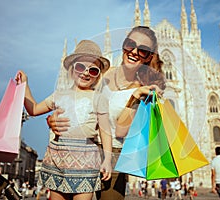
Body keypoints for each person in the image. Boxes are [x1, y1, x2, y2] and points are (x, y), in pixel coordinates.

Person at [47, 26, 166, 200]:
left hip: (113, 158)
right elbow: (72, 100)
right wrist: (53, 119)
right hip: (79, 151)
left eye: (142, 50)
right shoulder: (99, 72)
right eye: (130, 44)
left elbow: (121, 131)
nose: (134, 52)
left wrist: (135, 97)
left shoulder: (144, 89)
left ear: (148, 56)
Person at [16, 40, 112, 200]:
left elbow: (105, 130)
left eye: (93, 70)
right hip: (59, 159)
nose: (86, 73)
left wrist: (107, 159)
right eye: (81, 67)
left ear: (98, 76)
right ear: (72, 68)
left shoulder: (99, 98)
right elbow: (33, 109)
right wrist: (25, 85)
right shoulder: (59, 95)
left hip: (86, 160)